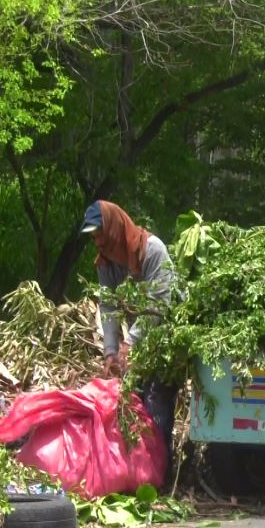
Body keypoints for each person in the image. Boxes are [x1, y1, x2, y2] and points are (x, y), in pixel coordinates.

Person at [80, 200, 177, 472]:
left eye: (99, 234)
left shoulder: (152, 251)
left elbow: (159, 304)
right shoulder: (107, 264)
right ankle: (135, 470)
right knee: (132, 400)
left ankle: (159, 472)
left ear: (113, 228)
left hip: (165, 338)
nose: (97, 241)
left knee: (157, 400)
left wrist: (130, 343)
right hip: (138, 341)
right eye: (93, 237)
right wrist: (111, 351)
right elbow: (109, 306)